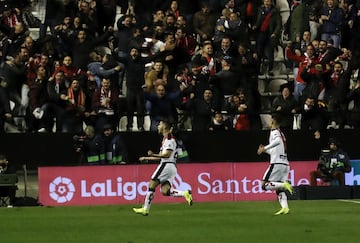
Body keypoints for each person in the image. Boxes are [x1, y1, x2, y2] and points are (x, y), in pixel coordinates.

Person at [133, 119, 193, 216]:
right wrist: (148, 158)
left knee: (152, 184)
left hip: (166, 165)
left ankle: (145, 209)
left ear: (165, 127)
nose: (158, 126)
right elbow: (162, 155)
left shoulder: (169, 140)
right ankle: (184, 193)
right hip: (171, 166)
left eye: (160, 124)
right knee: (165, 191)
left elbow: (166, 155)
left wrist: (153, 154)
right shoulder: (166, 139)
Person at [257, 115, 293, 215]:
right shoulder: (281, 133)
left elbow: (277, 142)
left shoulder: (275, 132)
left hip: (277, 163)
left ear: (273, 121)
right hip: (285, 164)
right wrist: (266, 150)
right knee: (278, 189)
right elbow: (275, 150)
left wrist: (265, 148)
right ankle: (285, 208)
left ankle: (285, 185)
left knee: (264, 185)